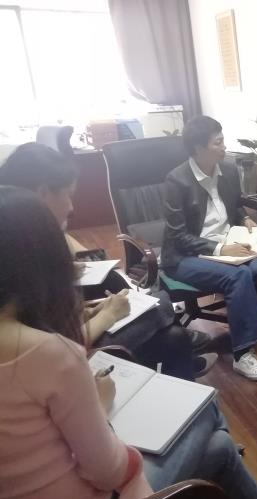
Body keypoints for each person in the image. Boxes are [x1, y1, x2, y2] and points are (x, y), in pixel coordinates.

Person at [0, 186, 257, 499]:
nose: (72, 205)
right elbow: (108, 471)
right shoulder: (51, 354)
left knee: (218, 447)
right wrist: (102, 406)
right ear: (43, 262)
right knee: (206, 411)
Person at [0, 144, 215, 380]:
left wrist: (88, 313)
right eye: (69, 195)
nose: (71, 207)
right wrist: (108, 315)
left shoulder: (17, 231)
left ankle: (183, 358)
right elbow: (60, 347)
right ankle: (183, 356)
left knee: (171, 334)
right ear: (42, 193)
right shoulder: (25, 252)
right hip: (62, 359)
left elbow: (46, 321)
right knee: (161, 306)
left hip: (63, 338)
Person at [162, 115, 257, 381]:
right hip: (185, 256)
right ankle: (242, 355)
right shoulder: (176, 181)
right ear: (198, 148)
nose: (224, 147)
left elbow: (234, 207)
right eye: (218, 142)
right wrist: (220, 249)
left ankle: (245, 332)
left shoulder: (228, 171)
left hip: (226, 244)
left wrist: (244, 219)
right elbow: (178, 236)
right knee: (240, 275)